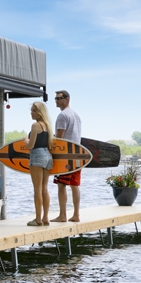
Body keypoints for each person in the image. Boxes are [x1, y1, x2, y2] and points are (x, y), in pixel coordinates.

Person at [51, 90, 82, 222]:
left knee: (61, 185)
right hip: (77, 155)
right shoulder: (76, 115)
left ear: (67, 99)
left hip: (64, 157)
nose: (56, 100)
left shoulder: (62, 115)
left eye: (59, 98)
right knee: (74, 185)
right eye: (55, 98)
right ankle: (76, 215)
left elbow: (59, 138)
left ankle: (62, 215)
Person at [25, 101, 54, 226]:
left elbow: (30, 146)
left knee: (37, 189)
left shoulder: (35, 125)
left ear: (39, 113)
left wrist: (25, 139)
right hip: (47, 155)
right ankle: (45, 218)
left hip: (37, 155)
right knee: (44, 188)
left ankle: (37, 219)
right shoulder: (47, 125)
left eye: (33, 110)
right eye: (31, 110)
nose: (31, 113)